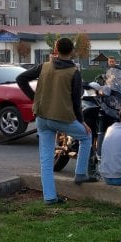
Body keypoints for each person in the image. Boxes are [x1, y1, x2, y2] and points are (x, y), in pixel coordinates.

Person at [17, 37, 92, 205]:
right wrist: (82, 122)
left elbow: (20, 79)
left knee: (46, 159)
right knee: (86, 136)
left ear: (55, 50)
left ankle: (49, 197)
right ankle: (80, 174)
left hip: (42, 118)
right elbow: (76, 102)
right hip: (63, 118)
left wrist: (34, 98)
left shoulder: (44, 66)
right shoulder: (74, 72)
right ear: (72, 51)